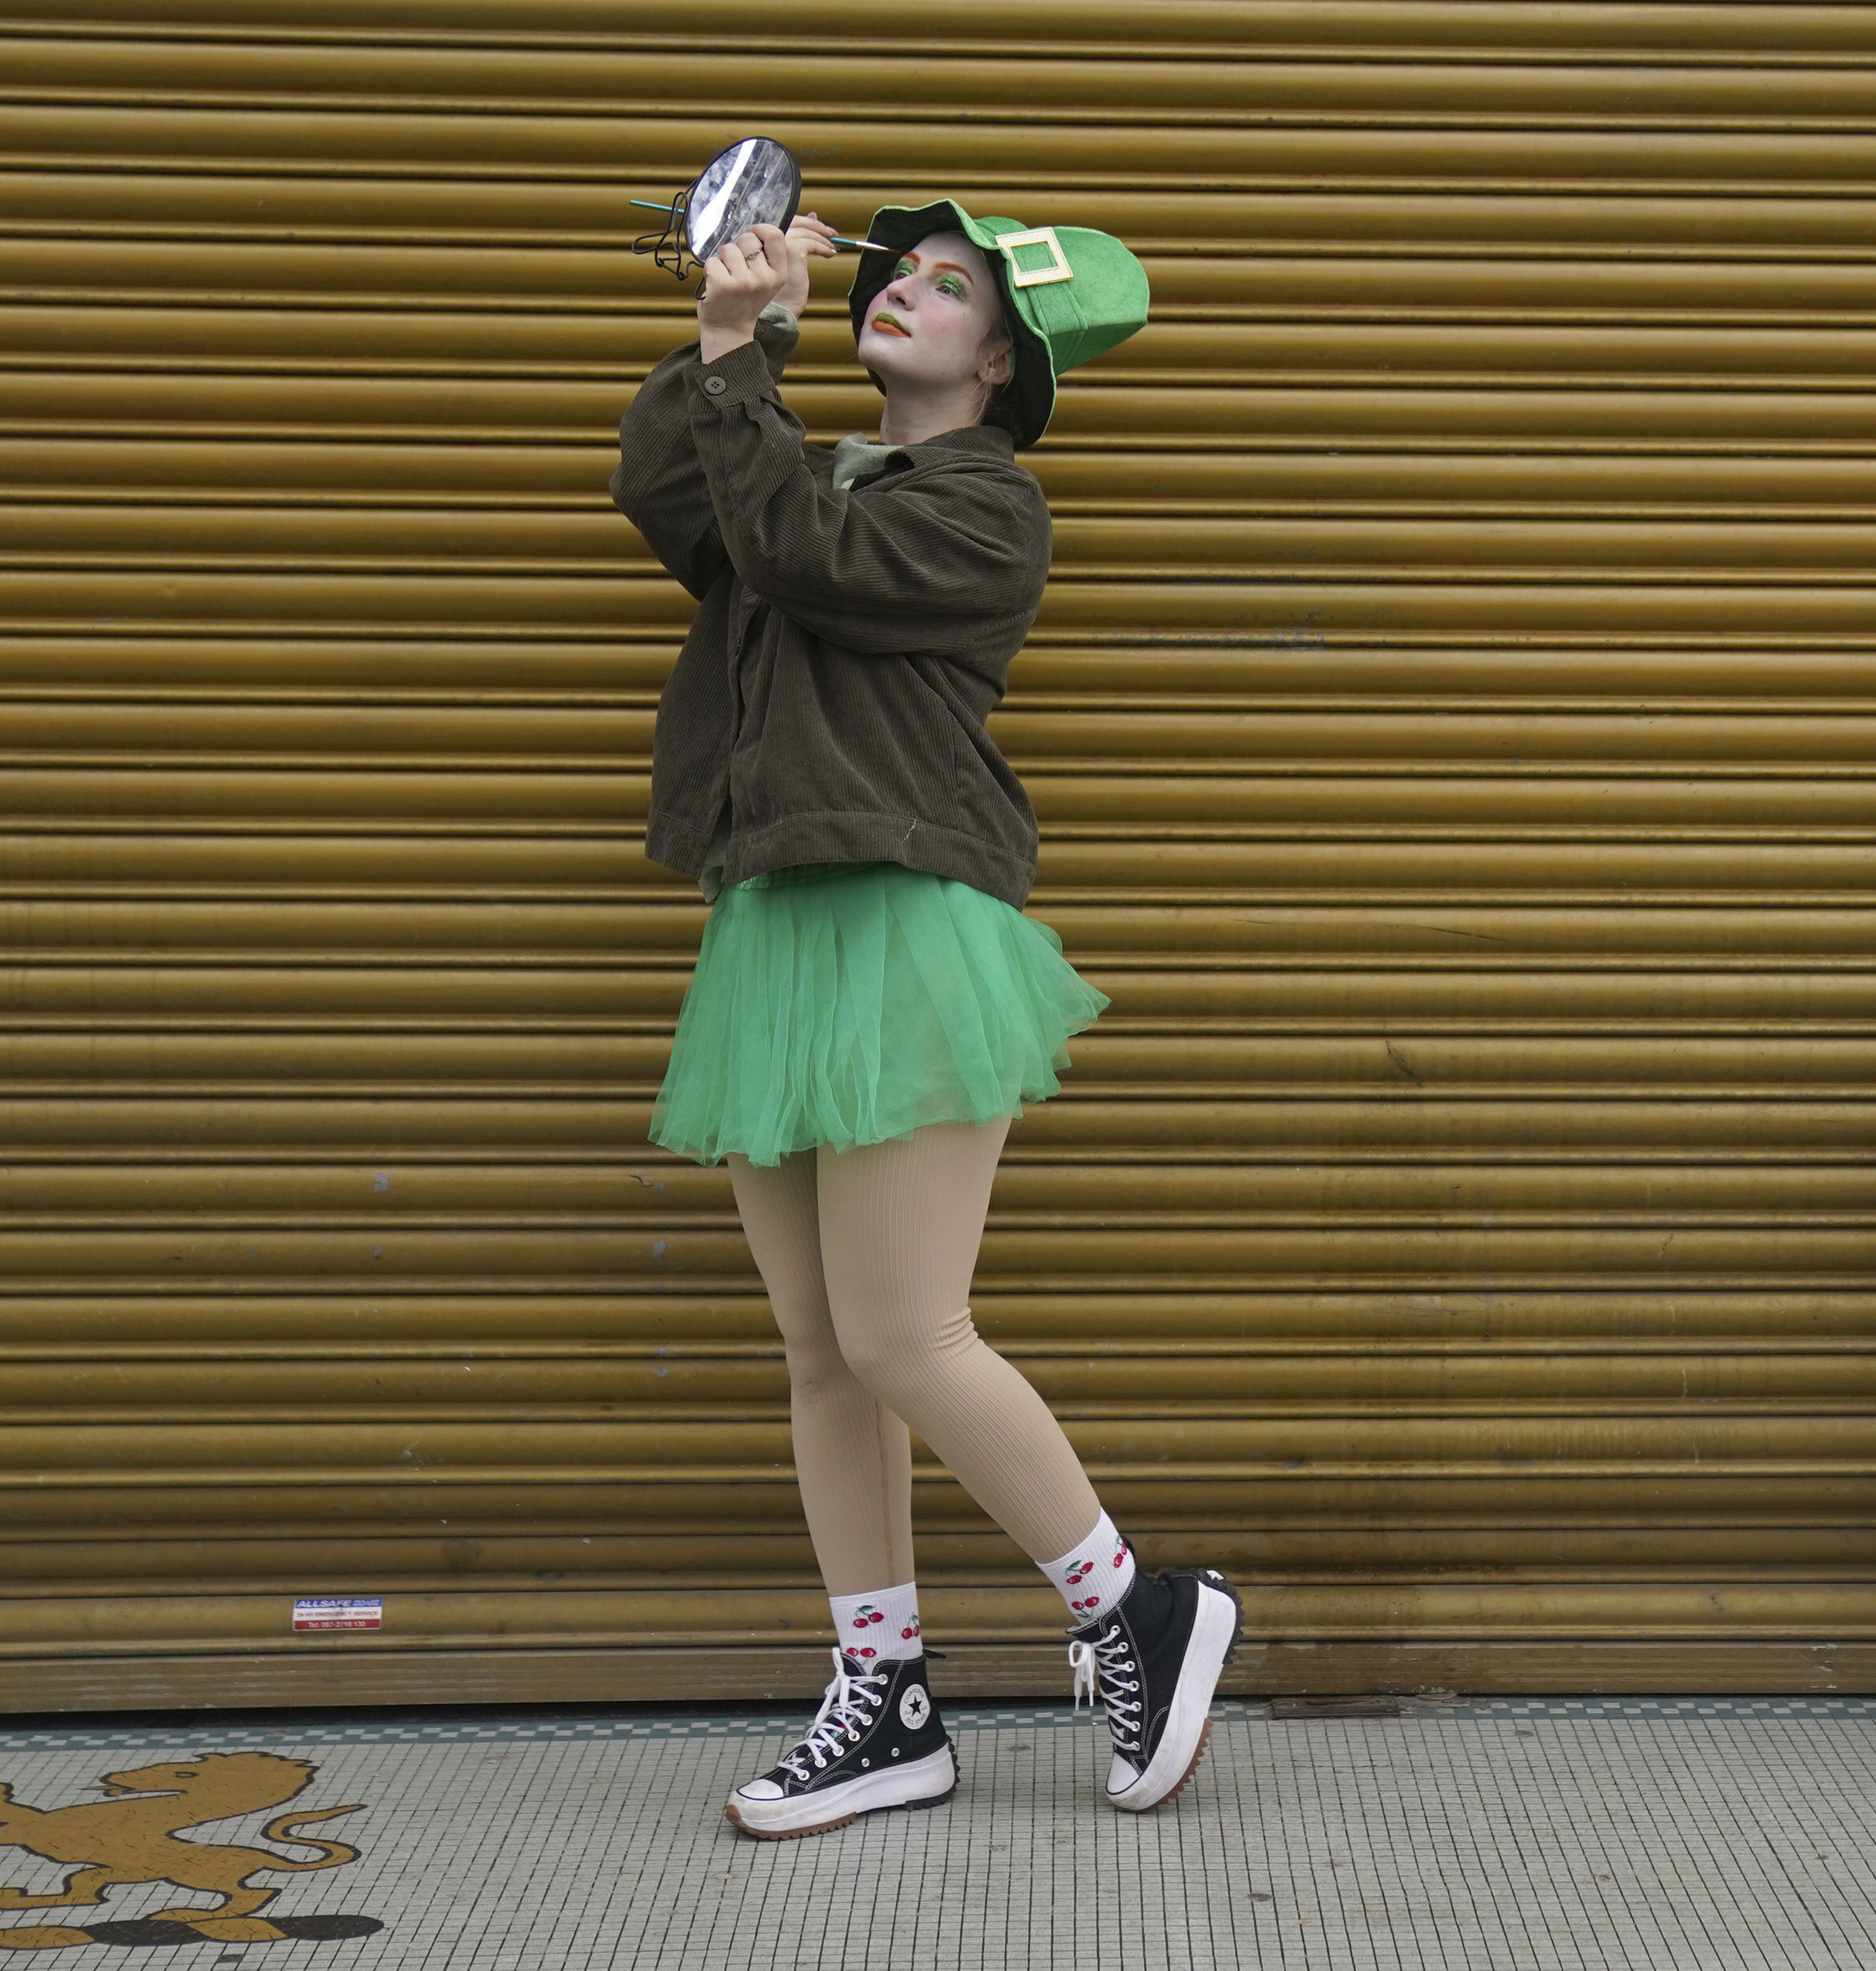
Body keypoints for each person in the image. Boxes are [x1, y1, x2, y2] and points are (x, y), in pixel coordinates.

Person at [611, 197, 1241, 1840]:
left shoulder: (986, 504)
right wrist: (725, 328)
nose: (902, 292)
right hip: (777, 921)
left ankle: (1131, 1608)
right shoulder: (799, 468)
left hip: (905, 918)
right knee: (825, 1354)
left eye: (947, 288)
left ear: (1003, 359)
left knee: (905, 1331)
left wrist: (747, 352)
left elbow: (800, 561)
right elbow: (673, 494)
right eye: (893, 274)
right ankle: (881, 1698)